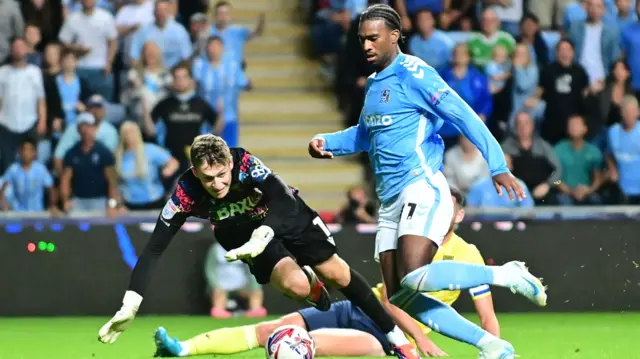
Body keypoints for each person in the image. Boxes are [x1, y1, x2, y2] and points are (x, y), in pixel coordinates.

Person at [307, 4, 546, 359]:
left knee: (414, 275)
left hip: (421, 186)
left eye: (373, 38)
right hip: (389, 202)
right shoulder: (375, 84)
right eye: (362, 40)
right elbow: (365, 134)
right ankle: (493, 346)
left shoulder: (416, 74)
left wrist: (497, 164)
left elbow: (463, 114)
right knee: (402, 296)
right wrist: (329, 142)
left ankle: (504, 275)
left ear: (394, 36)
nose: (367, 46)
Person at [97, 134, 418, 359]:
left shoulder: (245, 161)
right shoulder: (184, 193)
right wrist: (130, 305)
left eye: (223, 175)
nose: (218, 184)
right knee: (295, 286)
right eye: (209, 179)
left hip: (283, 214)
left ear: (230, 164)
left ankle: (398, 341)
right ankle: (313, 289)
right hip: (239, 232)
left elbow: (280, 195)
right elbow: (154, 248)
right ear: (195, 172)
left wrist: (265, 232)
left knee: (336, 272)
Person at [150, 188, 500, 358]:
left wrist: (493, 347)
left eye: (448, 208)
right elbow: (390, 298)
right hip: (367, 310)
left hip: (385, 337)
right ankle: (181, 349)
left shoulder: (469, 255)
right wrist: (422, 341)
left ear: (458, 217)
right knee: (270, 330)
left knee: (300, 345)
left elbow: (487, 317)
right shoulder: (406, 241)